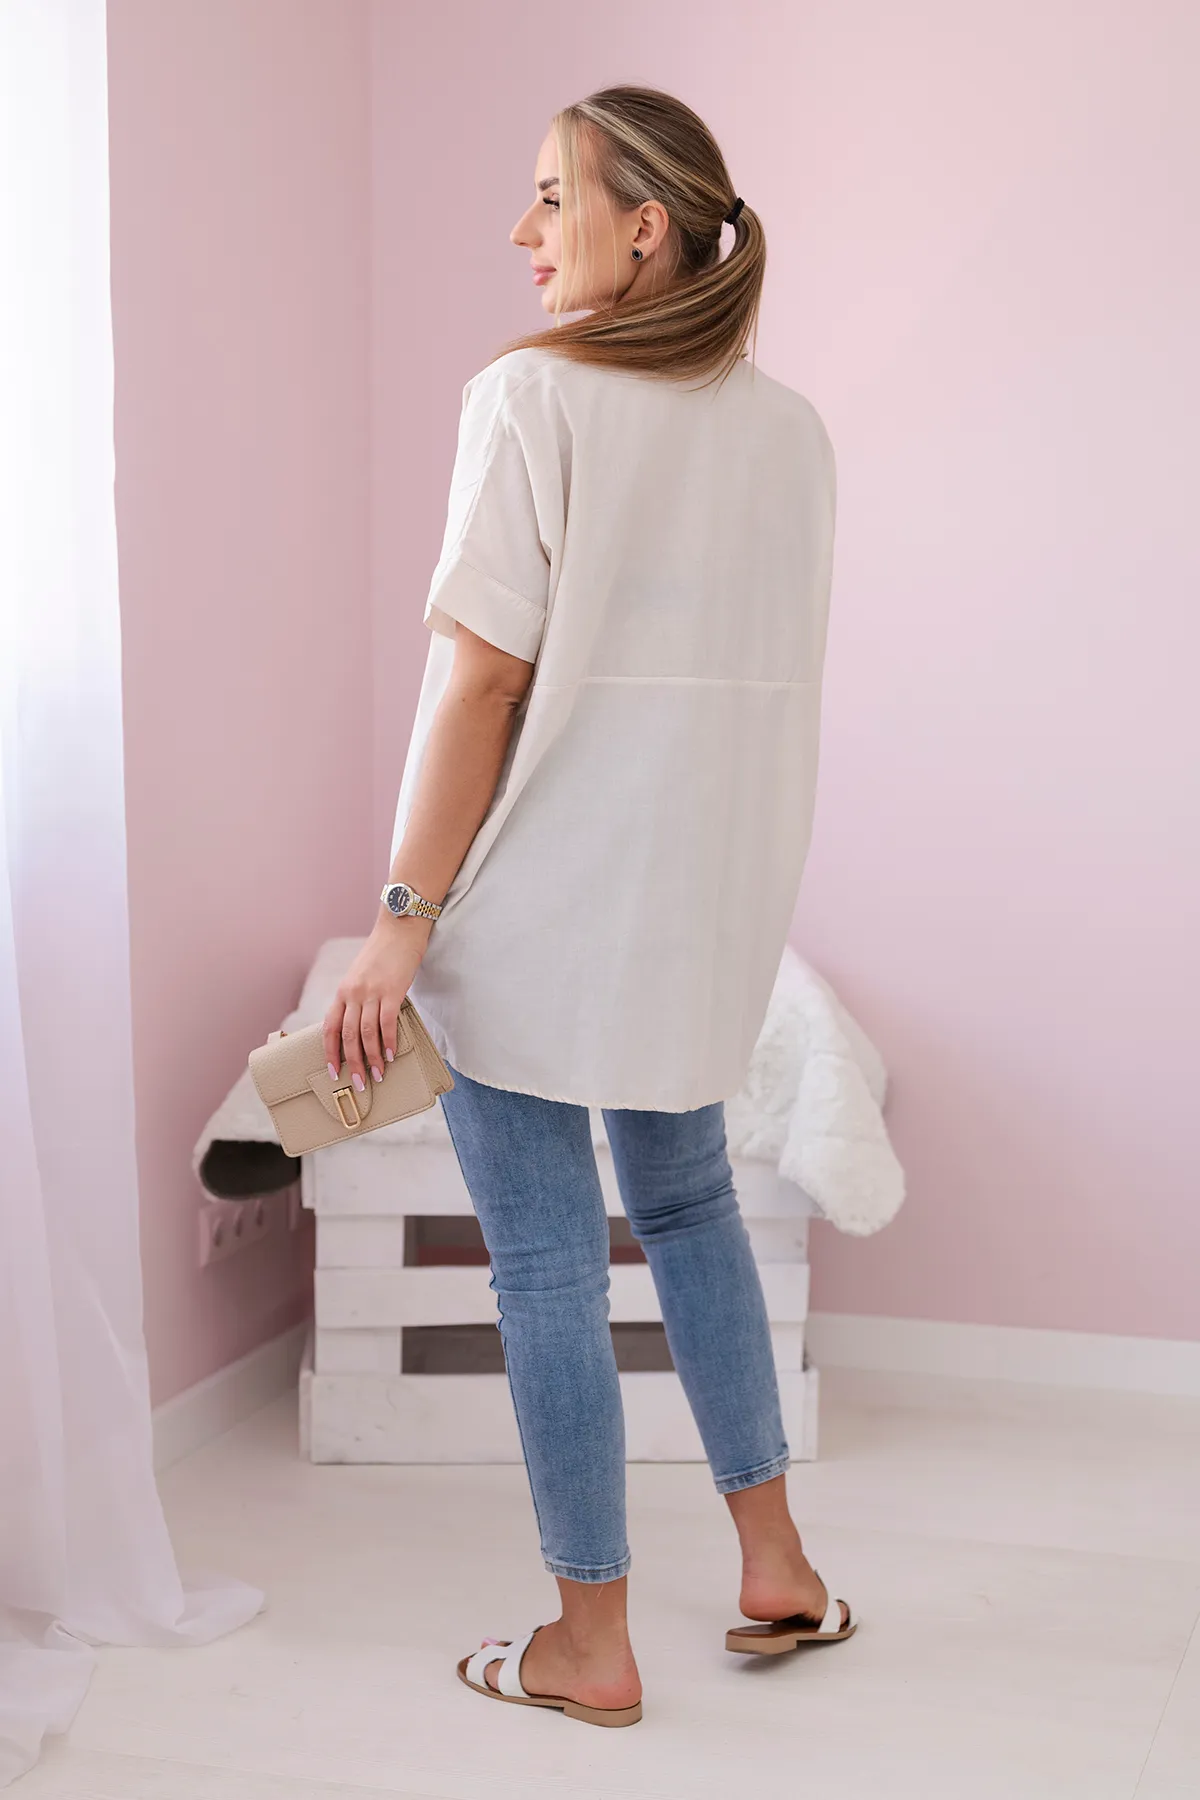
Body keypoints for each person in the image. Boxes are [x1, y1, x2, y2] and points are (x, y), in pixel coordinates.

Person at [323, 84, 851, 1729]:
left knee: (547, 1265)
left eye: (552, 197)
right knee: (689, 1211)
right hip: (700, 911)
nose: (523, 232)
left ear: (647, 224)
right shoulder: (793, 435)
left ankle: (590, 1642)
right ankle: (777, 1565)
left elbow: (482, 682)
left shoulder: (528, 398)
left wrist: (402, 915)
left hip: (534, 915)